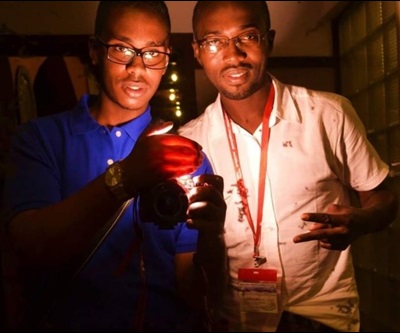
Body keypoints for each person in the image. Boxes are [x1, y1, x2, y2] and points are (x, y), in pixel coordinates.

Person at [0, 1, 227, 331]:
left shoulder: (184, 157)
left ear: (165, 59)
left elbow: (194, 292)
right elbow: (30, 247)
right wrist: (125, 177)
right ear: (94, 50)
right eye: (122, 49)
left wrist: (212, 238)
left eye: (152, 53)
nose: (137, 68)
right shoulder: (42, 139)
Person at [178, 1, 399, 332]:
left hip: (323, 315)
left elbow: (384, 198)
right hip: (239, 320)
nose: (233, 54)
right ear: (197, 51)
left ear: (269, 39)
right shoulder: (190, 144)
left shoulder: (328, 115)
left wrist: (361, 220)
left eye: (247, 36)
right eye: (214, 41)